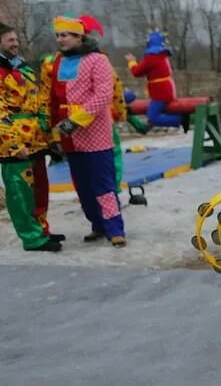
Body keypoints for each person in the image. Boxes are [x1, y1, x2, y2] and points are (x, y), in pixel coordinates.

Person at [44, 14, 127, 247]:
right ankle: (97, 225)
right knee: (82, 186)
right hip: (69, 135)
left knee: (103, 185)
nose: (60, 39)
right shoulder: (58, 62)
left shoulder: (97, 60)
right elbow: (52, 98)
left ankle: (114, 229)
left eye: (65, 35)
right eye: (58, 35)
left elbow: (103, 95)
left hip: (95, 133)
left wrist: (76, 121)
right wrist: (54, 132)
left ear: (79, 36)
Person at [0, 23, 63, 252]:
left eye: (16, 39)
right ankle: (32, 238)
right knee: (20, 193)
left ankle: (42, 229)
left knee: (39, 189)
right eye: (10, 40)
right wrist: (14, 144)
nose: (15, 44)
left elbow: (41, 99)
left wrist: (48, 130)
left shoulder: (23, 69)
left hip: (36, 139)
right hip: (14, 144)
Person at [125, 31, 181, 129]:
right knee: (157, 113)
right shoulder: (162, 55)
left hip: (160, 93)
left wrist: (132, 62)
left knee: (152, 117)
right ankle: (179, 119)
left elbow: (137, 72)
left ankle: (180, 120)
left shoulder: (151, 57)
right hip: (166, 90)